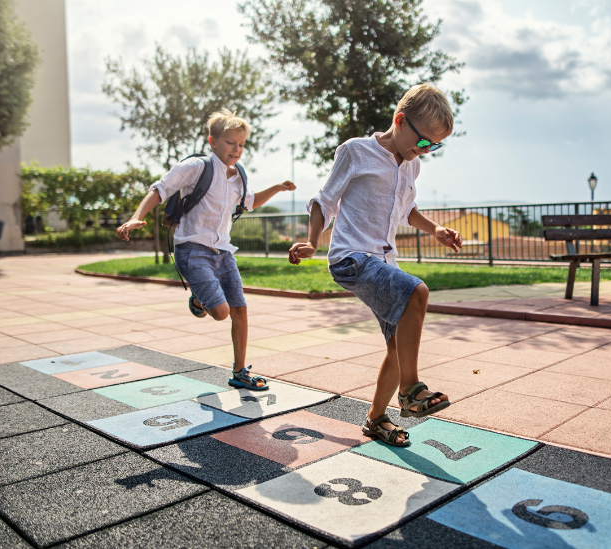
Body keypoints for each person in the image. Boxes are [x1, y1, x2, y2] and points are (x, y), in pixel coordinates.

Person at [288, 84, 462, 446]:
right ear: (400, 121)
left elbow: (406, 211)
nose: (425, 151)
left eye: (434, 146)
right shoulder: (356, 152)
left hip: (383, 259)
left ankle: (376, 419)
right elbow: (324, 200)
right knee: (417, 290)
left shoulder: (411, 165)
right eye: (423, 142)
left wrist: (436, 230)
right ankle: (411, 392)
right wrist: (313, 240)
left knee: (398, 344)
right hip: (352, 257)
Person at [118, 109, 295, 390]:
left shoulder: (239, 176)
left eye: (241, 144)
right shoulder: (197, 168)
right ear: (212, 142)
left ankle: (239, 372)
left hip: (223, 252)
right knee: (222, 312)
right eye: (230, 143)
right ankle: (199, 301)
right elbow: (160, 189)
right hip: (192, 249)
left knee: (240, 309)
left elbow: (249, 202)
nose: (236, 150)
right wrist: (135, 216)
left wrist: (276, 187)